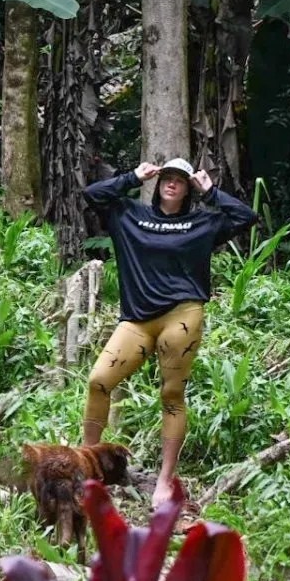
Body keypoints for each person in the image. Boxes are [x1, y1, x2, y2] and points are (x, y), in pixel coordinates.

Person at [81, 157, 257, 506]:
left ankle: (165, 480)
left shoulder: (202, 222)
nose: (172, 183)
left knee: (172, 395)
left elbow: (245, 217)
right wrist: (132, 176)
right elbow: (92, 194)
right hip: (136, 320)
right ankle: (87, 462)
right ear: (158, 182)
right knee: (98, 381)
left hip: (182, 314)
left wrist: (211, 191)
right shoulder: (129, 214)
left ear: (188, 187)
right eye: (167, 177)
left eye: (180, 179)